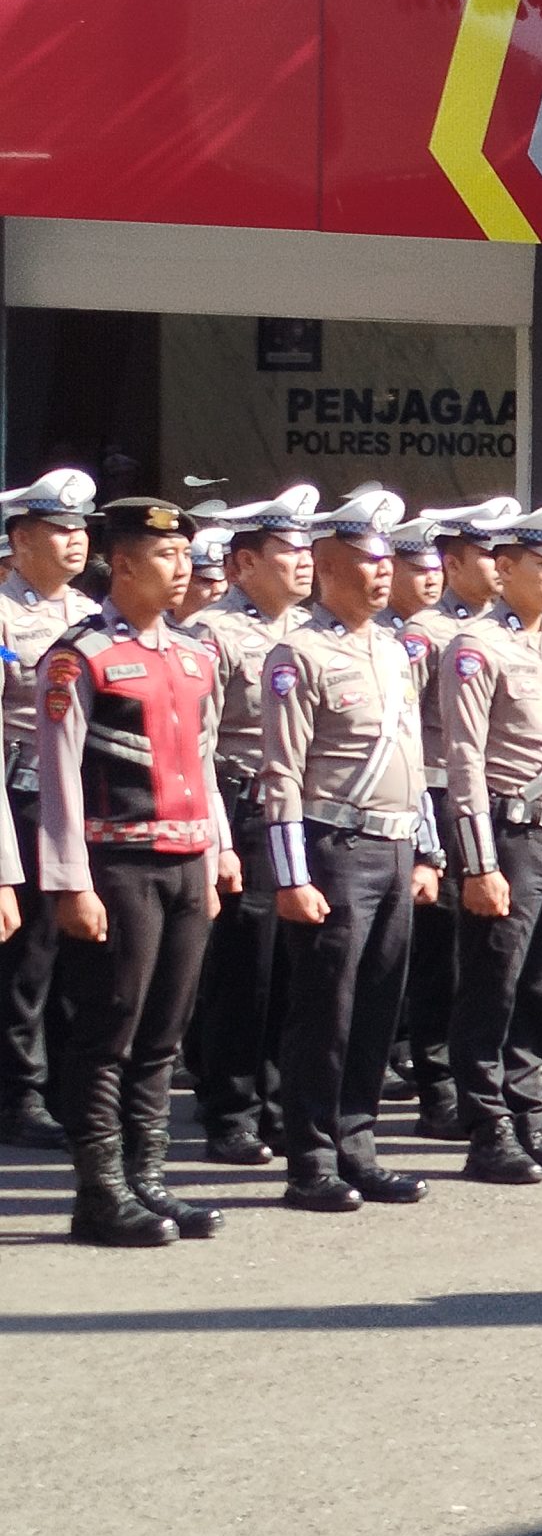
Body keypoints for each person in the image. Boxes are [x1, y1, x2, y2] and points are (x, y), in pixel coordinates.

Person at [40, 497, 235, 1247]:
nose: (181, 568)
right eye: (164, 556)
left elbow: (206, 762)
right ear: (120, 564)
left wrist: (220, 849)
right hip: (118, 863)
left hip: (187, 860)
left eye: (185, 555)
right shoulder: (81, 654)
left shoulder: (192, 655)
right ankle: (100, 1191)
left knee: (164, 1032)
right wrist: (70, 881)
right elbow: (56, 776)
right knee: (108, 1029)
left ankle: (147, 1179)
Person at [262, 488, 438, 1212]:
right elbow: (280, 771)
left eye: (385, 563)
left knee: (376, 1007)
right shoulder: (297, 652)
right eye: (365, 563)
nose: (381, 575)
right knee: (325, 1011)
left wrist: (427, 852)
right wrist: (292, 874)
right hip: (334, 849)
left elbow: (414, 755)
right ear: (328, 568)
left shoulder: (395, 649)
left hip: (395, 849)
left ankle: (358, 1145)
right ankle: (310, 1157)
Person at [442, 504, 542, 1185]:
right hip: (509, 835)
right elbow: (464, 761)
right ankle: (487, 1128)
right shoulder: (475, 647)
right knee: (493, 987)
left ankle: (530, 1119)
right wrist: (478, 862)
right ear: (505, 570)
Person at [187, 487, 317, 1165]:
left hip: (306, 812)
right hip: (245, 806)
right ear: (242, 565)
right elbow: (199, 743)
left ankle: (277, 1102)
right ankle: (230, 1108)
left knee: (300, 970)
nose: (302, 563)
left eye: (305, 551)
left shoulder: (315, 630)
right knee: (247, 968)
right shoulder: (216, 632)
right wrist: (219, 836)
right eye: (287, 552)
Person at [401, 496, 519, 1138]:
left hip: (495, 802)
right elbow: (408, 734)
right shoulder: (426, 635)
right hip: (440, 798)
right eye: (485, 556)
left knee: (492, 954)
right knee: (444, 952)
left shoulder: (507, 632)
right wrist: (423, 831)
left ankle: (489, 1077)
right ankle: (438, 1084)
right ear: (452, 563)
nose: (500, 567)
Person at [0, 468, 101, 1151]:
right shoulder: (3, 615)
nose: (76, 541)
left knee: (80, 948)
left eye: (81, 530)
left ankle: (70, 1084)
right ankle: (19, 1094)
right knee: (27, 956)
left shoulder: (91, 613)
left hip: (85, 794)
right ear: (21, 537)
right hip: (23, 791)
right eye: (60, 530)